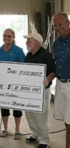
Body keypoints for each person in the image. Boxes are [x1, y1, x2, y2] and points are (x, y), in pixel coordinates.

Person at [23, 32, 56, 148]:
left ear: (35, 42)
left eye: (28, 40)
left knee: (40, 115)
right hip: (29, 90)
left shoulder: (46, 55)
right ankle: (35, 134)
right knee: (29, 114)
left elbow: (53, 71)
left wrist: (48, 78)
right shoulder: (28, 55)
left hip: (42, 90)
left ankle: (44, 140)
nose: (26, 42)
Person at [0, 28, 25, 139]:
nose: (7, 38)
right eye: (5, 36)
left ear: (13, 38)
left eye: (9, 36)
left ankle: (17, 130)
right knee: (4, 107)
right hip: (2, 84)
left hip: (15, 84)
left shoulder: (18, 51)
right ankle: (5, 128)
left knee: (16, 107)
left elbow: (24, 67)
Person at [52, 12, 70, 148]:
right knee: (66, 119)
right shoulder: (56, 43)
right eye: (55, 25)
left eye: (60, 24)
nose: (58, 28)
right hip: (60, 83)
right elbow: (56, 63)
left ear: (68, 23)